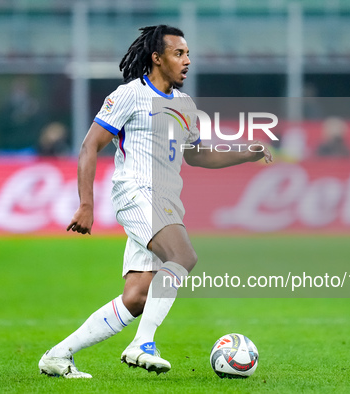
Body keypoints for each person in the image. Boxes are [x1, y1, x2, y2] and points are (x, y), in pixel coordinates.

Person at [39, 25, 273, 379]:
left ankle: (58, 356)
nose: (187, 61)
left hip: (164, 200)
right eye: (179, 54)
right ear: (157, 58)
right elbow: (90, 145)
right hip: (135, 192)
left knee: (135, 297)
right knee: (183, 257)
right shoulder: (129, 95)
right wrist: (86, 204)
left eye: (189, 54)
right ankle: (141, 344)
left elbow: (197, 155)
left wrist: (246, 153)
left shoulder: (185, 105)